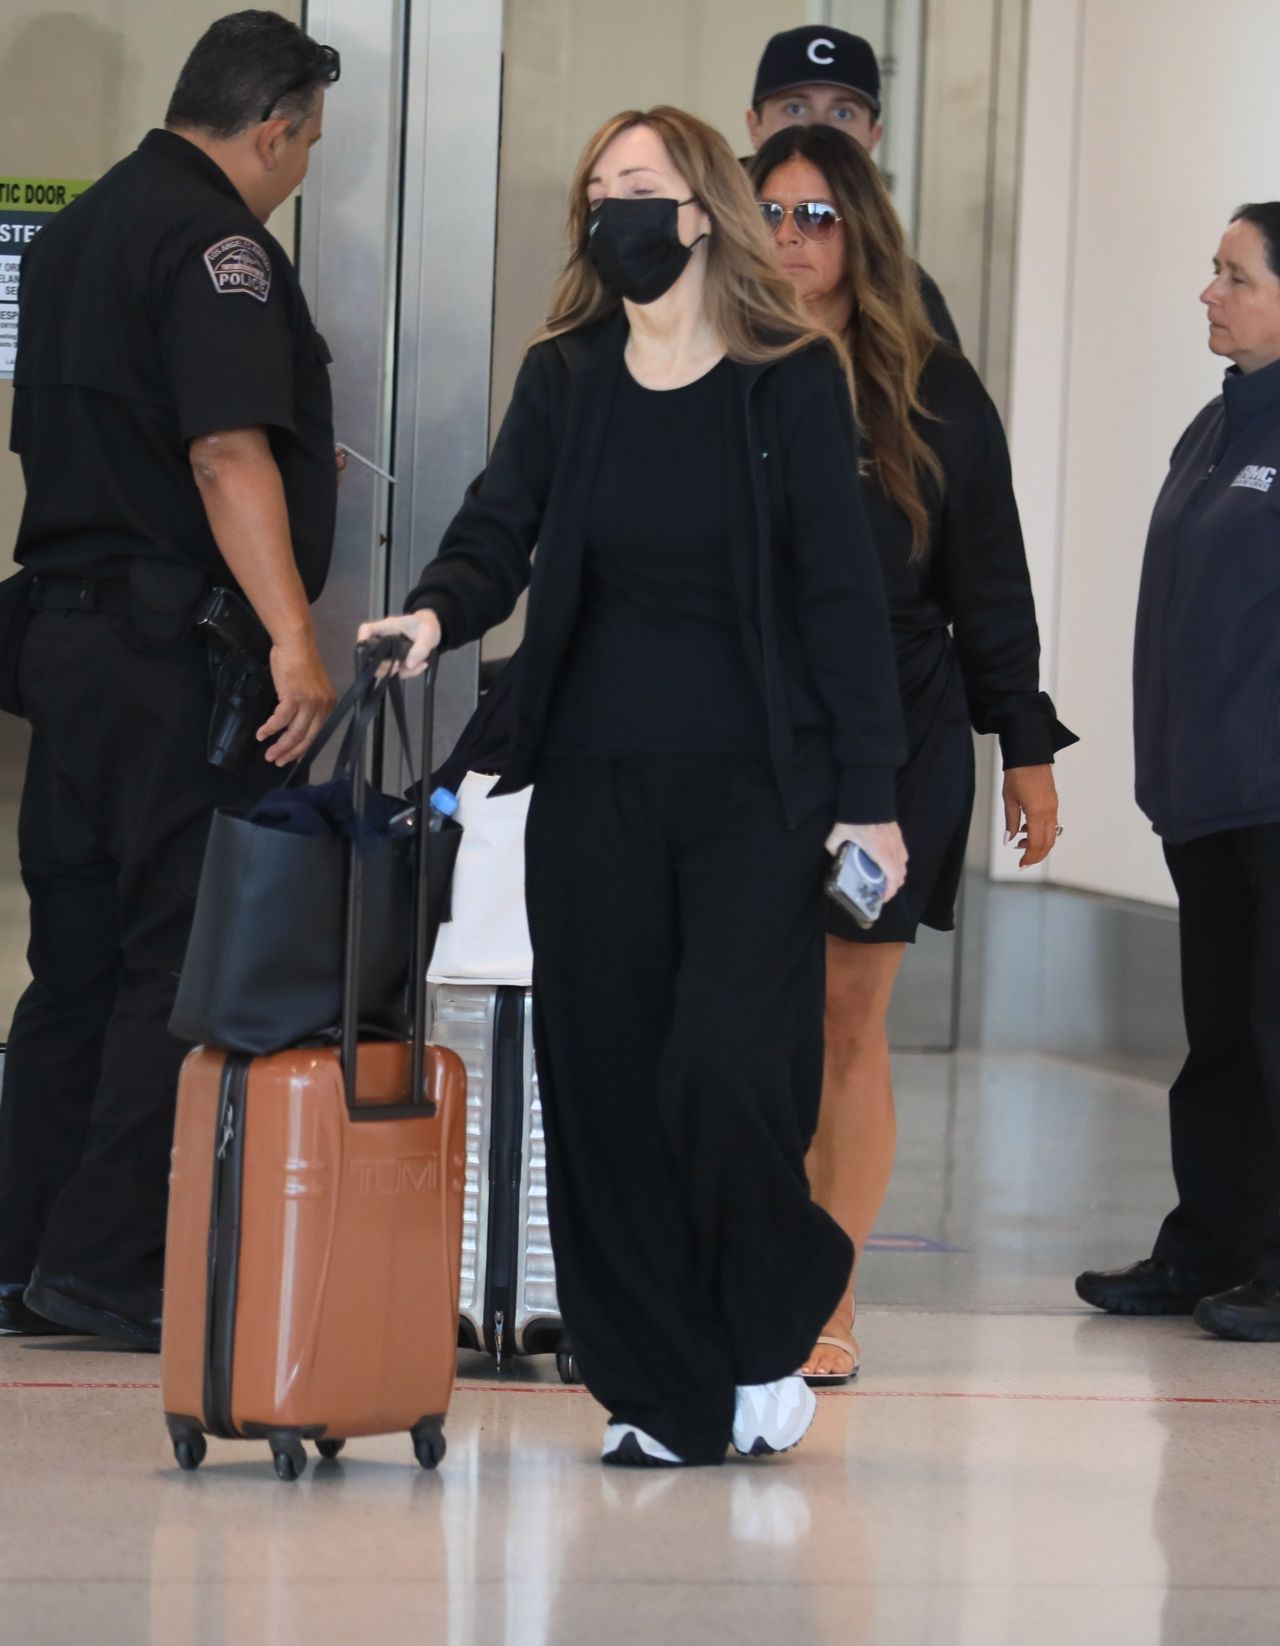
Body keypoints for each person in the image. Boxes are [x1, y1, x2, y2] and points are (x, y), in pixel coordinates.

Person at [362, 105, 907, 1466]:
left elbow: (843, 597)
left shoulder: (785, 380)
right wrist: (434, 616)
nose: (614, 209)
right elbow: (500, 526)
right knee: (602, 1085)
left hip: (752, 793)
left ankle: (762, 1320)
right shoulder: (569, 375)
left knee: (722, 1066)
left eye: (640, 186)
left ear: (703, 209)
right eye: (597, 188)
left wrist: (871, 790)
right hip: (593, 781)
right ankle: (665, 1389)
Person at [0, 11, 341, 1350]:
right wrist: (292, 642)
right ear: (272, 128)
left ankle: (23, 1247)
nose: (301, 168)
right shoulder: (220, 247)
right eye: (305, 144)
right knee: (170, 956)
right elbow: (222, 451)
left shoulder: (80, 229)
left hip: (68, 647)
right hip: (168, 655)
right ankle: (110, 1265)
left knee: (72, 959)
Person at [747, 124, 1074, 1382]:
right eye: (770, 214)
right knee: (739, 1017)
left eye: (817, 217)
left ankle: (825, 1298)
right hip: (747, 741)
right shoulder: (717, 366)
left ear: (861, 232)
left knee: (843, 1019)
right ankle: (733, 1261)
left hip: (894, 743)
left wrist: (1027, 747)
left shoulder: (926, 387)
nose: (791, 241)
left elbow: (988, 580)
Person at [1077, 203, 1280, 1343]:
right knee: (1216, 1036)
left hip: (1267, 791)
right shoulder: (1215, 427)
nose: (1207, 293)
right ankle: (1203, 1247)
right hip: (1205, 793)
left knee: (1269, 1031)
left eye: (1233, 275)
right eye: (1212, 271)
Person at [745, 24, 960, 349]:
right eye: (795, 108)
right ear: (755, 126)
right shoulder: (699, 257)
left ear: (873, 137)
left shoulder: (907, 292)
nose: (816, 128)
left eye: (842, 112)